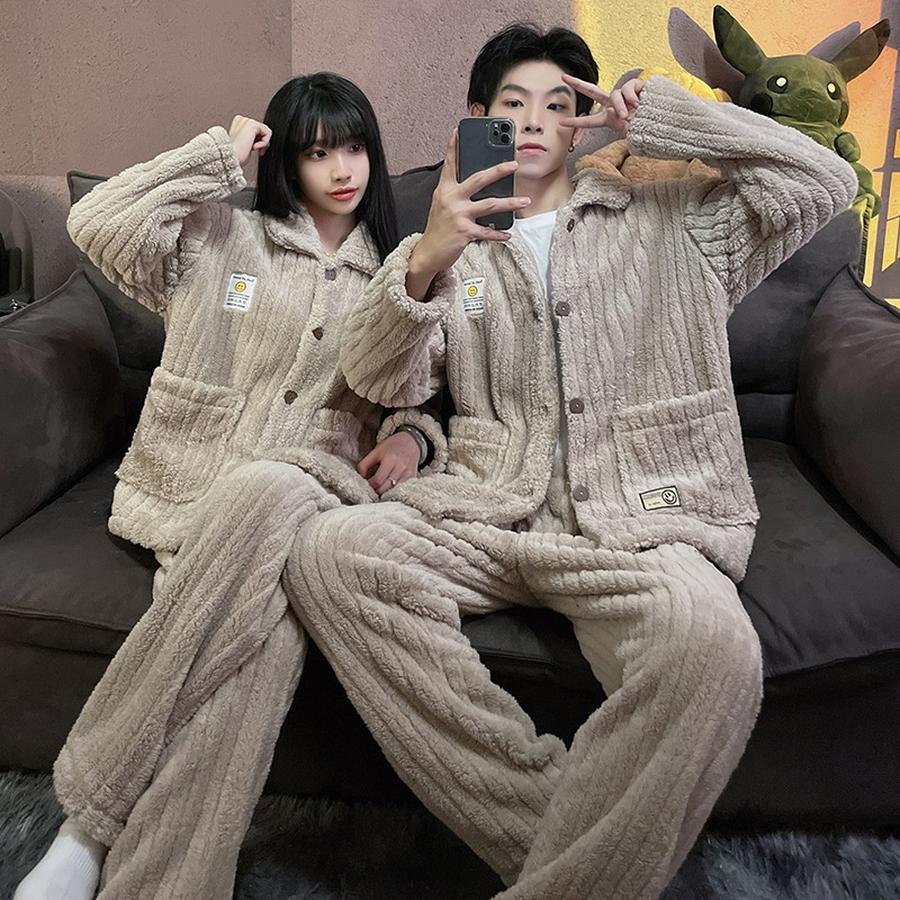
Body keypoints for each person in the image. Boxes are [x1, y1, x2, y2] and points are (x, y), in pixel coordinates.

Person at [285, 24, 859, 900]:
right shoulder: (454, 237)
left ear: (585, 120)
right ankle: (577, 854)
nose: (533, 121)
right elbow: (377, 379)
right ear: (475, 116)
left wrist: (666, 115)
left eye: (559, 104)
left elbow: (825, 182)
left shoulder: (673, 208)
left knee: (713, 650)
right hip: (488, 506)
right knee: (331, 554)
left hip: (640, 514)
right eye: (511, 104)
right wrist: (429, 256)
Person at [15, 72, 446, 900]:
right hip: (197, 487)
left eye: (354, 147)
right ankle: (138, 864)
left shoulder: (400, 271)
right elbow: (95, 223)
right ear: (285, 160)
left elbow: (421, 390)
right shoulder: (220, 235)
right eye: (316, 152)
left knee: (253, 610)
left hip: (310, 496)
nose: (341, 169)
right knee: (258, 650)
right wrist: (215, 155)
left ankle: (85, 832)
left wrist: (412, 439)